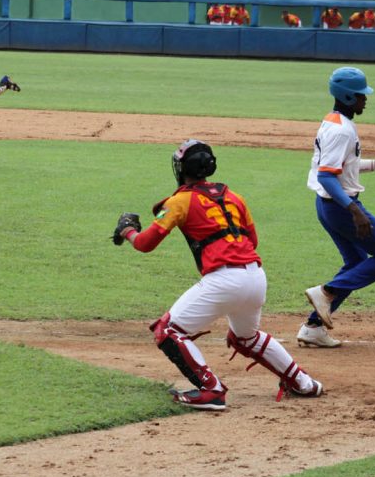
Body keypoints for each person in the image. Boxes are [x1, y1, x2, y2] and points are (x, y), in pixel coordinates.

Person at [113, 139, 324, 409]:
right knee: (246, 337)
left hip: (225, 281)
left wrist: (127, 231)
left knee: (167, 331)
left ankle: (211, 390)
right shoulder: (235, 196)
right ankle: (303, 383)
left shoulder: (180, 201)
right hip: (256, 277)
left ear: (182, 168)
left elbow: (145, 243)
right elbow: (253, 241)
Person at [299, 67, 375, 348]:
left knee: (357, 263)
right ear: (347, 96)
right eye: (361, 96)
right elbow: (325, 175)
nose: (365, 100)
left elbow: (341, 166)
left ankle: (313, 327)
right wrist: (354, 211)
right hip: (340, 207)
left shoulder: (332, 121)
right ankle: (327, 292)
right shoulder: (342, 131)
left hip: (328, 205)